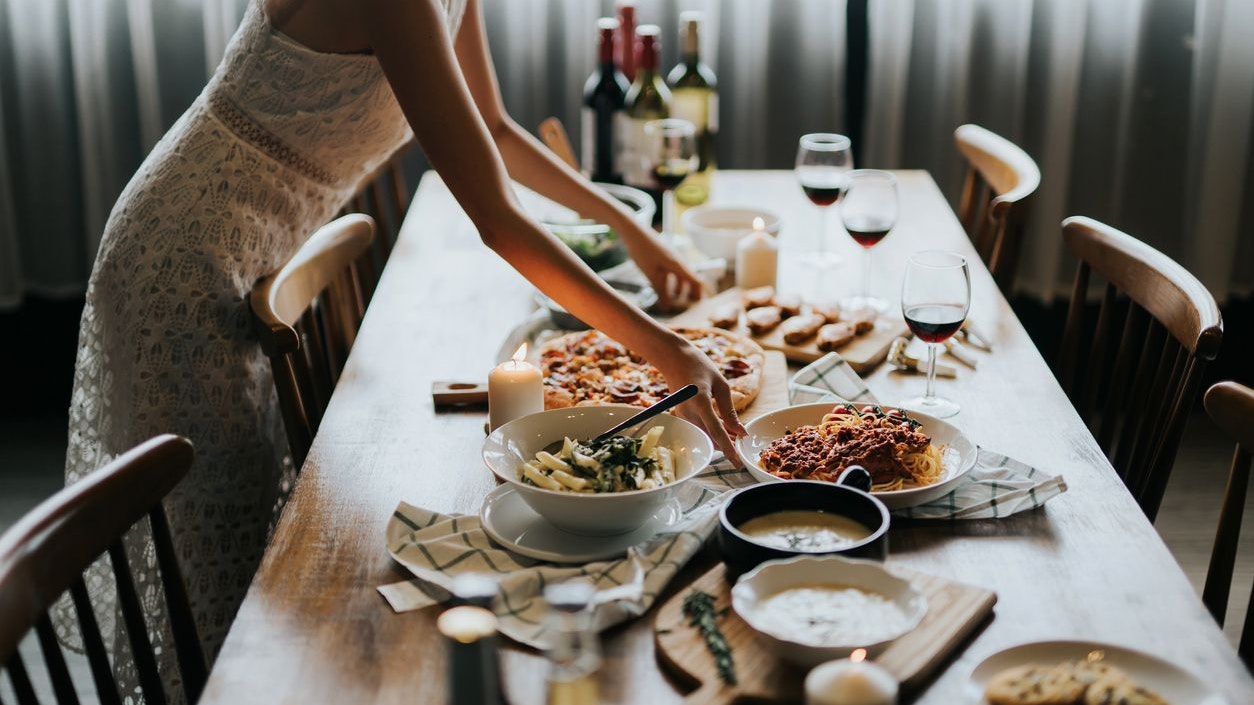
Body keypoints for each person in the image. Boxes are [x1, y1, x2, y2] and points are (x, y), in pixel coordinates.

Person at [60, 0, 744, 697]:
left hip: (254, 248)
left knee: (249, 541)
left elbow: (497, 131)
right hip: (183, 253)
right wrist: (666, 348)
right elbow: (499, 220)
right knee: (215, 550)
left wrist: (625, 224)